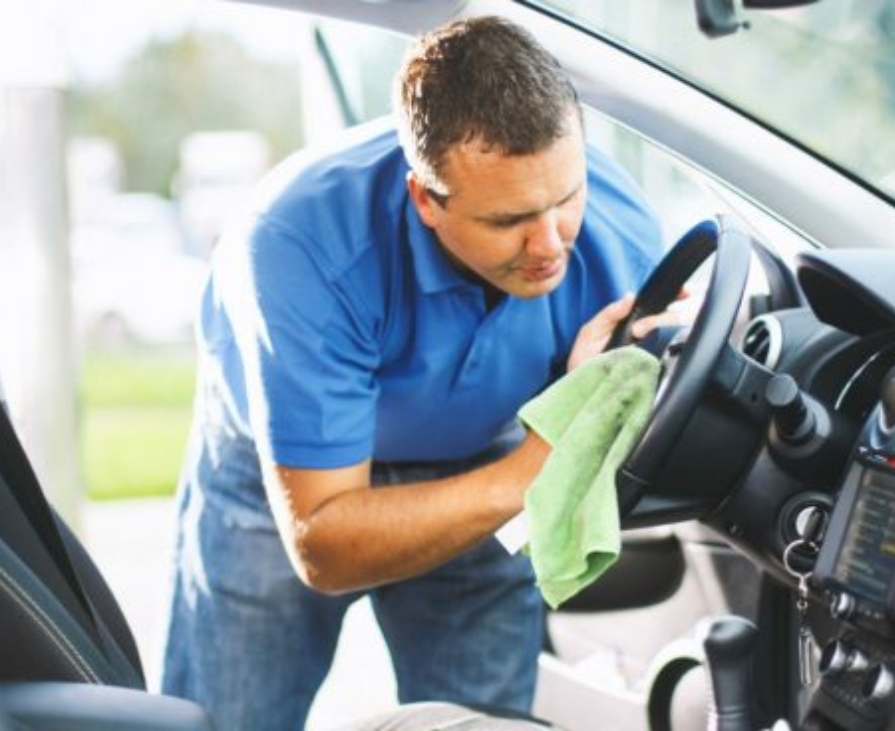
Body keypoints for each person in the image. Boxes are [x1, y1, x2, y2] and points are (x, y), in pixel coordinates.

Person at [161, 15, 668, 730]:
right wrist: (536, 467)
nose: (551, 245)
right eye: (509, 221)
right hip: (286, 473)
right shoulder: (296, 245)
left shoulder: (622, 233)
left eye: (565, 199)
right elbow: (324, 544)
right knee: (226, 720)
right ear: (426, 199)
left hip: (486, 447)